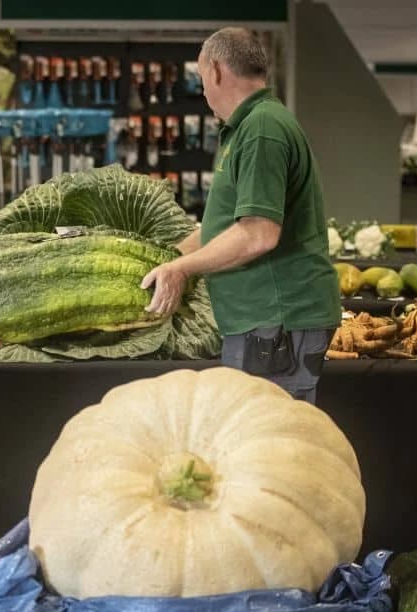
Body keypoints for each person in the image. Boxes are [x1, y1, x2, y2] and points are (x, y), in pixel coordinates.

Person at [141, 28, 339, 404]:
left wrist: (183, 270)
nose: (201, 90)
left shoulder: (262, 129)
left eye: (201, 78)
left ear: (215, 71)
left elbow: (258, 234)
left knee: (269, 446)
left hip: (276, 323)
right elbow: (223, 228)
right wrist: (164, 258)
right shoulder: (248, 126)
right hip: (262, 324)